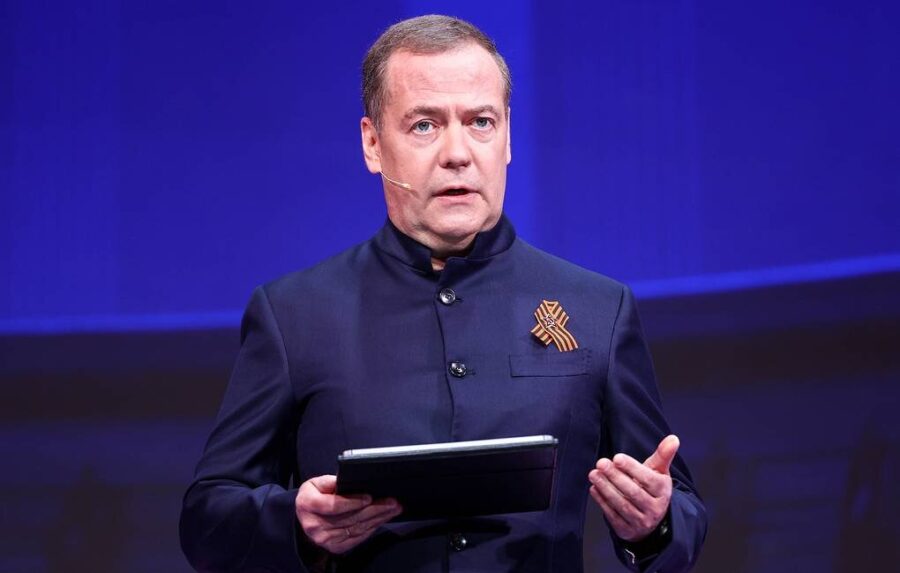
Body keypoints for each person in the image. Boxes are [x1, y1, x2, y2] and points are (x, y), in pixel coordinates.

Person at [180, 14, 707, 573]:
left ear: (507, 137)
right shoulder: (294, 315)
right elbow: (208, 519)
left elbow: (681, 510)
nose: (458, 153)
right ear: (372, 144)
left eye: (480, 122)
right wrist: (295, 522)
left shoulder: (598, 309)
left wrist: (655, 523)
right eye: (425, 125)